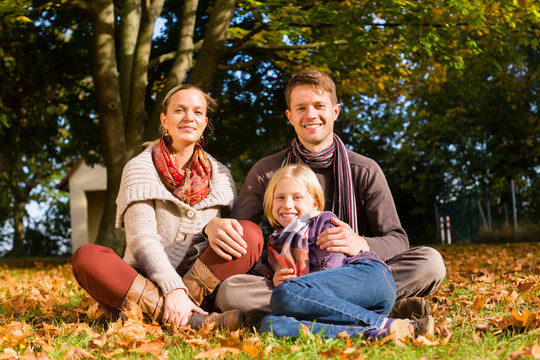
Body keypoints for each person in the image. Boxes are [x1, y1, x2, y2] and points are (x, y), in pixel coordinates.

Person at [206, 69, 446, 319]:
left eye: (319, 105)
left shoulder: (364, 170)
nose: (311, 115)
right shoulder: (266, 172)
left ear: (335, 111)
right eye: (301, 108)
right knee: (230, 293)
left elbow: (397, 239)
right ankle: (369, 308)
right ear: (289, 116)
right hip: (290, 279)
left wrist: (360, 243)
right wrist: (270, 272)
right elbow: (242, 239)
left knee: (430, 262)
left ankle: (310, 306)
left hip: (352, 273)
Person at [71, 84, 264, 330]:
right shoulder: (139, 168)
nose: (188, 118)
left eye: (196, 112)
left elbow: (230, 244)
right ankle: (195, 321)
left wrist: (211, 227)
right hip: (143, 278)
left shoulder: (222, 175)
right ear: (164, 119)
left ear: (205, 122)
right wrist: (172, 288)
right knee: (87, 256)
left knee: (250, 233)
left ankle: (165, 313)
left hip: (203, 287)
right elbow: (142, 240)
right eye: (179, 110)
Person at [254, 163, 434, 340]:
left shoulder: (322, 222)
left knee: (284, 295)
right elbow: (261, 269)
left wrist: (297, 290)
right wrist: (275, 279)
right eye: (280, 198)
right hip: (350, 307)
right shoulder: (274, 244)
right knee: (271, 324)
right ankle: (376, 332)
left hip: (368, 278)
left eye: (297, 197)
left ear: (315, 204)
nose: (287, 204)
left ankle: (383, 324)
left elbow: (332, 268)